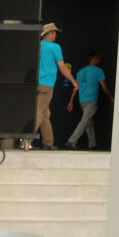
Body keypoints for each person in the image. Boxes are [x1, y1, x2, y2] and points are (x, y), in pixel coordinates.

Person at [36, 22, 78, 150]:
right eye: (54, 33)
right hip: (47, 84)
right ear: (50, 33)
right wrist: (73, 81)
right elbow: (63, 68)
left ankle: (48, 143)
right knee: (39, 112)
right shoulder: (55, 47)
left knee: (45, 114)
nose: (55, 35)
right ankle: (25, 140)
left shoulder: (37, 45)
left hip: (35, 83)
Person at [65, 51, 114, 150]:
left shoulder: (80, 71)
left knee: (89, 122)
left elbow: (76, 88)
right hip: (91, 100)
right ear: (94, 58)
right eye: (98, 58)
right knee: (85, 120)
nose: (100, 59)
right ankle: (72, 140)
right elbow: (104, 87)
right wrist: (111, 97)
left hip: (82, 100)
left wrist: (71, 101)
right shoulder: (98, 71)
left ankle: (92, 144)